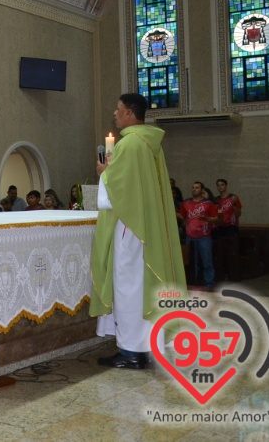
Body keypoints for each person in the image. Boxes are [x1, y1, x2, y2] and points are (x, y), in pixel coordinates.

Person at [91, 93, 187, 370]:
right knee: (140, 286)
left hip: (131, 227)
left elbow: (116, 192)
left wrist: (103, 172)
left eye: (118, 109)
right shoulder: (149, 142)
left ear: (131, 112)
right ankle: (142, 346)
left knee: (128, 287)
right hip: (145, 224)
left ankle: (131, 351)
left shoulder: (131, 144)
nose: (115, 113)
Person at [177, 182, 219, 291]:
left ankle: (209, 284)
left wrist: (206, 219)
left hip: (204, 236)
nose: (194, 189)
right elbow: (183, 217)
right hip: (190, 236)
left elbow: (215, 218)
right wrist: (181, 219)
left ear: (202, 190)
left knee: (207, 261)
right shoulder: (186, 203)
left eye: (197, 188)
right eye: (193, 187)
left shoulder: (208, 204)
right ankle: (192, 282)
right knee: (191, 262)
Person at [213, 178, 242, 281]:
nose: (220, 187)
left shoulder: (233, 197)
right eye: (218, 185)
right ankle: (223, 273)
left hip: (231, 226)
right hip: (220, 227)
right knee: (221, 252)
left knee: (231, 251)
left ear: (226, 186)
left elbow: (239, 213)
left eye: (222, 185)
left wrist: (234, 204)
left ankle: (233, 274)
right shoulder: (216, 200)